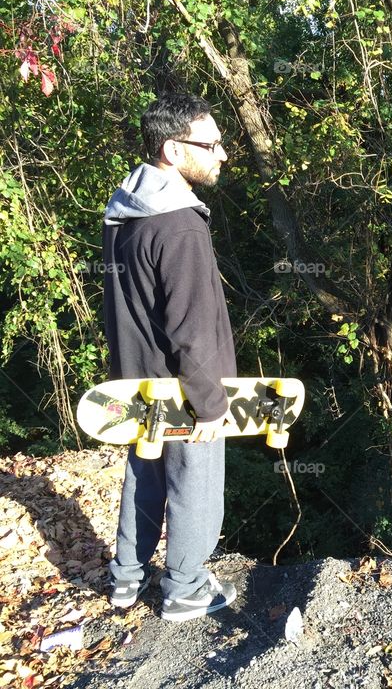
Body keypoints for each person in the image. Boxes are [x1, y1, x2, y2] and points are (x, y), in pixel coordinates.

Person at [101, 92, 238, 621]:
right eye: (211, 144)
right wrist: (210, 403)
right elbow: (191, 327)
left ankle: (126, 580)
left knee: (145, 471)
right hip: (183, 387)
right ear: (173, 151)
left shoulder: (126, 214)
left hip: (137, 382)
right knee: (195, 481)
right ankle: (184, 588)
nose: (222, 154)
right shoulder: (179, 224)